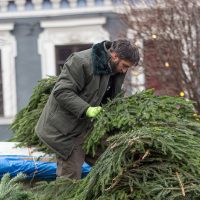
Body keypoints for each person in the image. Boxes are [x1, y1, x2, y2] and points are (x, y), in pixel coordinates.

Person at [35, 39, 140, 180]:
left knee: (114, 162)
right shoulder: (81, 62)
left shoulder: (114, 69)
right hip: (66, 131)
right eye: (125, 65)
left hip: (89, 128)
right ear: (114, 56)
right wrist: (87, 109)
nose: (124, 70)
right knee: (70, 177)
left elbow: (111, 98)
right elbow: (61, 92)